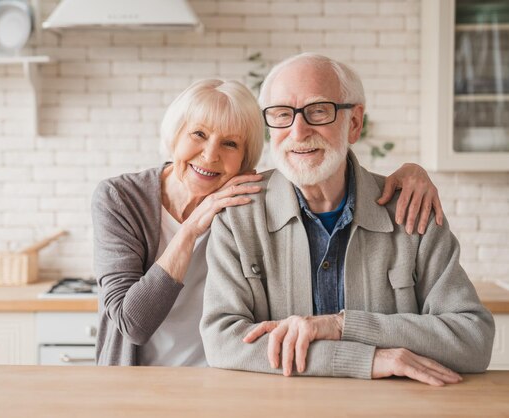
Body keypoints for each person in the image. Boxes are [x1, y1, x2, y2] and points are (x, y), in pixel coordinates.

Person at [93, 78, 445, 367]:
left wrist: (413, 173)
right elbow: (132, 324)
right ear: (175, 134)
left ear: (246, 161)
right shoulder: (120, 198)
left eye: (229, 143)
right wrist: (190, 229)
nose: (210, 155)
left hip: (226, 378)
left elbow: (322, 168)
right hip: (137, 381)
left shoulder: (245, 201)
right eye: (198, 134)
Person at [200, 53, 495, 385]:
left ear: (354, 123)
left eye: (318, 111)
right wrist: (365, 359)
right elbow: (223, 342)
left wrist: (341, 326)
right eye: (282, 114)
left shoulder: (411, 210)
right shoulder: (238, 215)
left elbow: (473, 339)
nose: (298, 132)